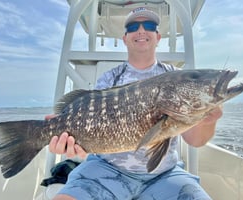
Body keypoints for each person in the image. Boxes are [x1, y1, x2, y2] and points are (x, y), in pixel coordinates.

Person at [48, 7, 223, 200]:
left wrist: (208, 120)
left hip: (164, 174)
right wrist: (70, 144)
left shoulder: (175, 76)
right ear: (125, 38)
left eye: (149, 25)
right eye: (133, 27)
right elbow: (89, 119)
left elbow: (195, 141)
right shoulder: (110, 78)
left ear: (158, 36)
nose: (141, 30)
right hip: (106, 169)